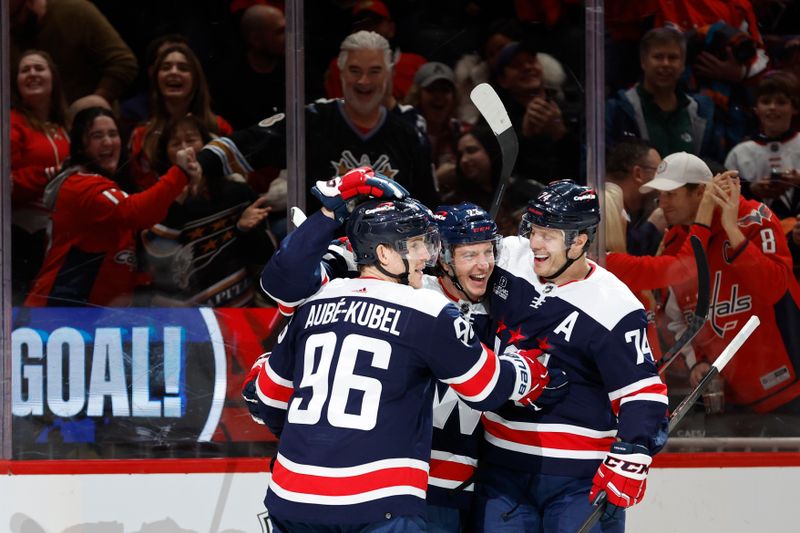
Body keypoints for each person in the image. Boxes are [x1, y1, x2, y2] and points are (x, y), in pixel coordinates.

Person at [245, 184, 562, 531]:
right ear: (383, 254)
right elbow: (486, 388)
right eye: (415, 246)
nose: (426, 256)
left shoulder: (316, 301)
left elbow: (268, 402)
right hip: (377, 501)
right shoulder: (426, 308)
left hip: (292, 496)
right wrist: (525, 373)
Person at [475, 179, 669, 532]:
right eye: (533, 230)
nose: (535, 243)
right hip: (500, 472)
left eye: (548, 235)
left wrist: (634, 450)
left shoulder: (614, 305)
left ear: (579, 241)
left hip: (576, 481)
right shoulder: (508, 258)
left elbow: (643, 394)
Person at [609, 152, 800, 414]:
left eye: (671, 194)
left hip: (788, 386)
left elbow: (774, 289)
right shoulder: (676, 243)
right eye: (660, 196)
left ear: (700, 192)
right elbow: (674, 319)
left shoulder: (755, 217)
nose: (662, 204)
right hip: (726, 396)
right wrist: (695, 362)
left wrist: (733, 232)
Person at [196, 30, 437, 210]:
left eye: (374, 71)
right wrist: (196, 166)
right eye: (355, 70)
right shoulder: (310, 120)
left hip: (390, 267)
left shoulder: (410, 134)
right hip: (320, 262)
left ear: (389, 75)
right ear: (340, 73)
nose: (364, 81)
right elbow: (245, 145)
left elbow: (428, 205)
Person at [25, 107, 199, 307]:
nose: (107, 142)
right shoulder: (80, 185)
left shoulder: (115, 188)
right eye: (97, 136)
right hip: (57, 317)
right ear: (81, 146)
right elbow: (137, 212)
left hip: (94, 318)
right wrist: (180, 173)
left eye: (113, 134)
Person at [138, 115, 276, 307]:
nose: (185, 149)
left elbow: (267, 256)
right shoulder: (155, 201)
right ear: (166, 154)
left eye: (191, 140)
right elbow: (155, 259)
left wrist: (244, 229)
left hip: (242, 310)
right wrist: (177, 203)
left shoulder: (238, 193)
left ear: (207, 147)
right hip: (186, 319)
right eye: (176, 143)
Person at [129, 43, 233, 192]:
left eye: (183, 68)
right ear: (156, 79)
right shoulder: (142, 135)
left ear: (196, 79)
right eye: (166, 68)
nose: (173, 72)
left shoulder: (219, 126)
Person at [606, 27, 720, 162]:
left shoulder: (701, 113)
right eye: (658, 57)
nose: (666, 64)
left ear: (683, 64)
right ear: (643, 61)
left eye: (672, 58)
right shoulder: (618, 111)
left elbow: (712, 167)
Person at [10, 49, 70, 304]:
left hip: (59, 236)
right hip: (21, 233)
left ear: (53, 78)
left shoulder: (63, 127)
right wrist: (46, 176)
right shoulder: (11, 122)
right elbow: (6, 184)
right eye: (25, 70)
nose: (32, 74)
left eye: (39, 68)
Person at [9, 0, 138, 104]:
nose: (10, 24)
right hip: (32, 125)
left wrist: (94, 103)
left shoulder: (77, 12)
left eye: (14, 17)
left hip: (87, 127)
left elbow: (124, 62)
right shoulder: (9, 32)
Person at [492, 40, 581, 183]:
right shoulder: (496, 122)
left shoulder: (571, 108)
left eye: (531, 61)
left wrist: (560, 133)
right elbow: (497, 174)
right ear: (503, 80)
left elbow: (588, 160)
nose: (527, 67)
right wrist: (525, 137)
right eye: (516, 65)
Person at [724, 71, 800, 220]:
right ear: (756, 109)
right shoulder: (740, 153)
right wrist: (751, 190)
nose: (772, 107)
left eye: (781, 102)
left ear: (795, 107)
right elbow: (726, 197)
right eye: (766, 102)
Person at [323, 0, 426, 102]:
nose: (369, 29)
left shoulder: (416, 63)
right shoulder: (339, 66)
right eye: (362, 24)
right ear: (353, 31)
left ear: (391, 29)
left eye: (375, 22)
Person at [211, 4, 286, 129]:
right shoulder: (229, 79)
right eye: (279, 32)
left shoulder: (297, 68)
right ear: (255, 39)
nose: (287, 38)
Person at [404, 61, 467, 196]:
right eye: (431, 90)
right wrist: (435, 180)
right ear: (417, 95)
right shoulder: (405, 133)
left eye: (445, 90)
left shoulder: (462, 133)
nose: (439, 97)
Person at [605, 138, 666, 255]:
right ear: (638, 174)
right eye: (659, 172)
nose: (662, 183)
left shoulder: (628, 211)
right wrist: (652, 228)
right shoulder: (604, 207)